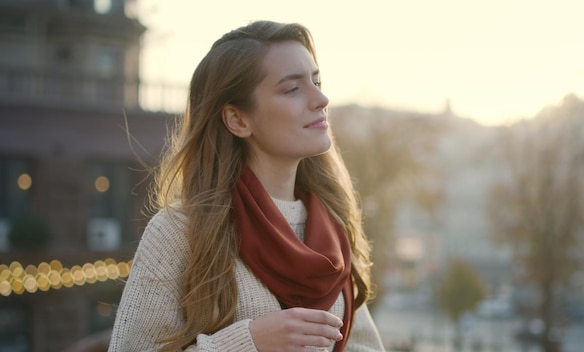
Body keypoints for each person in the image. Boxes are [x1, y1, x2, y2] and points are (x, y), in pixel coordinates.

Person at [108, 20, 385, 352]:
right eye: (292, 89)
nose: (321, 99)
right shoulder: (179, 232)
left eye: (316, 81)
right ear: (238, 120)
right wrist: (248, 342)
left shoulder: (334, 229)